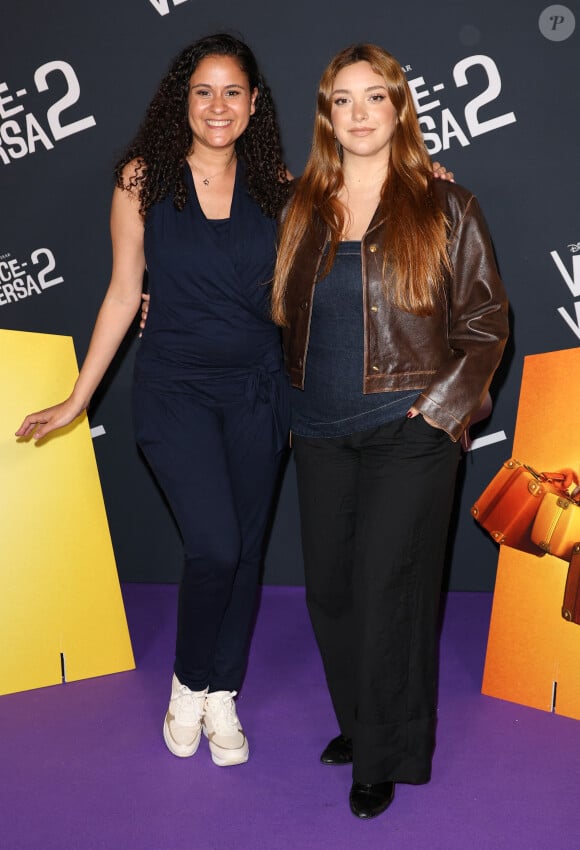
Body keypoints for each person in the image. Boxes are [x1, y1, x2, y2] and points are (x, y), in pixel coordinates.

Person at [16, 33, 292, 768]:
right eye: (203, 90)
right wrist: (80, 398)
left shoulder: (281, 188)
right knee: (215, 546)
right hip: (174, 390)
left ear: (254, 103)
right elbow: (120, 291)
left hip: (260, 393)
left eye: (233, 90)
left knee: (248, 552)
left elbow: (355, 222)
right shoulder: (142, 179)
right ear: (183, 99)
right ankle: (188, 684)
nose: (218, 105)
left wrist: (427, 175)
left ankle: (222, 694)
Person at [271, 43, 508, 819]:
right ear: (327, 115)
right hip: (320, 427)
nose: (360, 112)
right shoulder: (301, 205)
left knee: (389, 593)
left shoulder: (446, 204)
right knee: (332, 594)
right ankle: (362, 721)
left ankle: (387, 754)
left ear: (400, 109)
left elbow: (484, 323)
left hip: (409, 428)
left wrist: (440, 410)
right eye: (344, 99)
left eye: (376, 97)